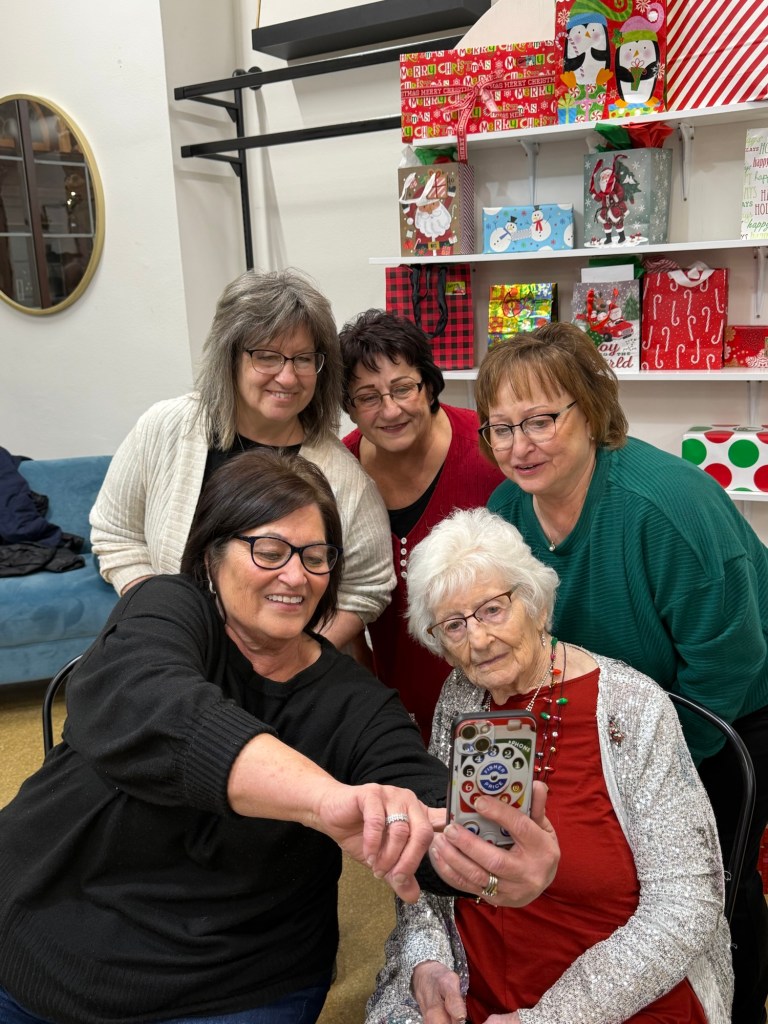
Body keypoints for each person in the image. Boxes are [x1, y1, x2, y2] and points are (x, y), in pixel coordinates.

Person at [0, 452, 560, 1024]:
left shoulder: (357, 703)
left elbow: (421, 799)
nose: (296, 577)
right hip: (40, 931)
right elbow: (148, 700)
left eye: (316, 557)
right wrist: (323, 799)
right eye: (269, 552)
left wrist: (490, 862)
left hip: (235, 983)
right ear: (212, 553)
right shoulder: (168, 606)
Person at [475, 321, 768, 1024]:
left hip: (729, 711)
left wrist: (648, 770)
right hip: (615, 709)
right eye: (501, 428)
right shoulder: (505, 510)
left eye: (540, 420)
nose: (519, 446)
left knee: (713, 884)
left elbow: (730, 664)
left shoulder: (667, 510)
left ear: (591, 410)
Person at [367, 507, 734, 1024]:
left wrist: (547, 1019)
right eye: (454, 625)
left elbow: (687, 902)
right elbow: (429, 847)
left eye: (493, 610)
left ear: (536, 605)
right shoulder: (462, 697)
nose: (478, 640)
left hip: (617, 991)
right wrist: (426, 960)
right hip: (473, 975)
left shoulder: (631, 706)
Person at [91, 267, 394, 651]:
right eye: (267, 357)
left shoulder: (344, 478)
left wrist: (290, 658)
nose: (288, 377)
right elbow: (116, 534)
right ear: (229, 356)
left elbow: (367, 587)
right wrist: (162, 619)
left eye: (303, 359)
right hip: (167, 653)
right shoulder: (165, 427)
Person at [340, 309, 504, 740]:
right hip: (393, 715)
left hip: (499, 710)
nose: (390, 409)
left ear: (428, 385)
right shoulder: (339, 475)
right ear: (349, 407)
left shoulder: (491, 452)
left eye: (402, 388)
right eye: (368, 397)